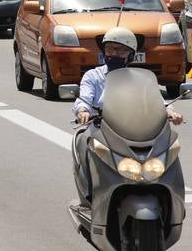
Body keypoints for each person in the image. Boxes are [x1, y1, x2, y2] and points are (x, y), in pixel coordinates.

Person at [73, 26, 183, 203]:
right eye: (110, 49)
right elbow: (83, 98)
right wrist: (83, 111)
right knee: (83, 142)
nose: (114, 54)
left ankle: (172, 198)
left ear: (130, 55)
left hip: (134, 130)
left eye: (121, 50)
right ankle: (89, 195)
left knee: (168, 148)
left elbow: (156, 99)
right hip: (101, 128)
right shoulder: (93, 76)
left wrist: (170, 111)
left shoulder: (139, 78)